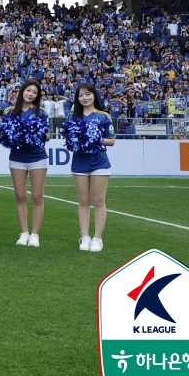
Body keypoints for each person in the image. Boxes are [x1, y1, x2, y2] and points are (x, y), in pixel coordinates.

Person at [1, 79, 50, 248]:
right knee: (20, 196)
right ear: (22, 91)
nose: (31, 94)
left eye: (34, 92)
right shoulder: (9, 111)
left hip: (38, 158)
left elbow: (47, 135)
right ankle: (24, 232)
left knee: (37, 196)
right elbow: (2, 132)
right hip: (17, 159)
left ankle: (35, 234)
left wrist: (45, 135)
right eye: (28, 90)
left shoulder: (41, 112)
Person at [69, 83, 116, 252]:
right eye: (81, 95)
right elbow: (70, 141)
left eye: (88, 94)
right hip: (79, 163)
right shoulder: (73, 117)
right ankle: (85, 236)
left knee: (98, 201)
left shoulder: (103, 116)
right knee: (83, 201)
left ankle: (97, 238)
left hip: (99, 163)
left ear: (94, 95)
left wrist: (94, 139)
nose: (84, 98)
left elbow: (111, 140)